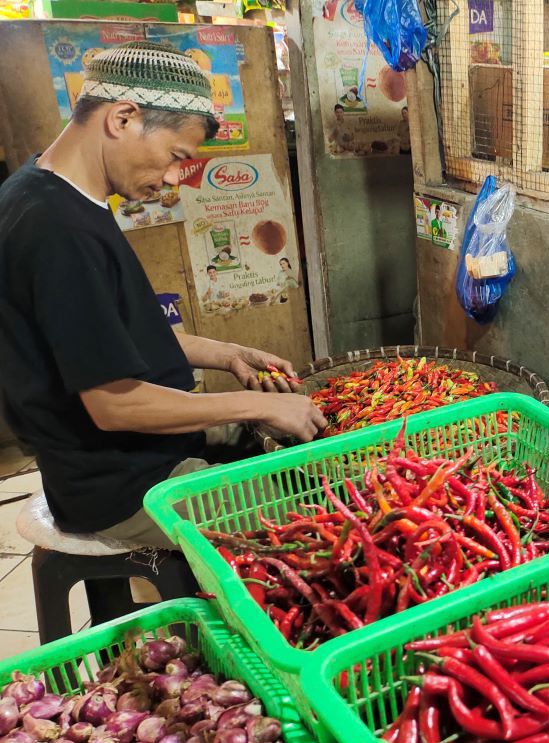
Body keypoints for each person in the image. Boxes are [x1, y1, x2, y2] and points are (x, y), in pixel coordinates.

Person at [0, 41, 328, 549]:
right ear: (123, 118)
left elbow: (107, 337)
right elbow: (115, 406)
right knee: (330, 521)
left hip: (138, 451)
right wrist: (248, 406)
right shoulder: (56, 230)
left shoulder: (43, 190)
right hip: (126, 485)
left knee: (306, 445)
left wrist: (226, 353)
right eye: (176, 157)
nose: (175, 178)